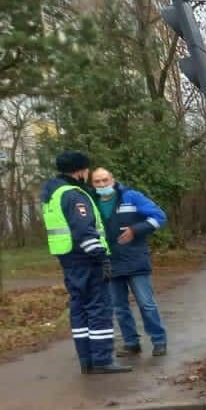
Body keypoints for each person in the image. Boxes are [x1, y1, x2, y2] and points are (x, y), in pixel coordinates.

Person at [40, 152, 132, 373]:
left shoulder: (53, 193)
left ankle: (87, 360)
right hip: (87, 260)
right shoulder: (74, 195)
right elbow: (84, 231)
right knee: (99, 309)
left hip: (69, 260)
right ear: (80, 171)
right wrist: (102, 258)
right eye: (87, 170)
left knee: (79, 309)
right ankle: (102, 360)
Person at [90, 167, 168, 356]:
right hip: (109, 261)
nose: (102, 184)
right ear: (92, 184)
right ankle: (131, 343)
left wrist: (136, 230)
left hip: (135, 259)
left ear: (113, 180)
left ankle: (159, 340)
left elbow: (159, 217)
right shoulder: (91, 203)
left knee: (146, 303)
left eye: (105, 180)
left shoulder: (131, 197)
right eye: (97, 181)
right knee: (119, 307)